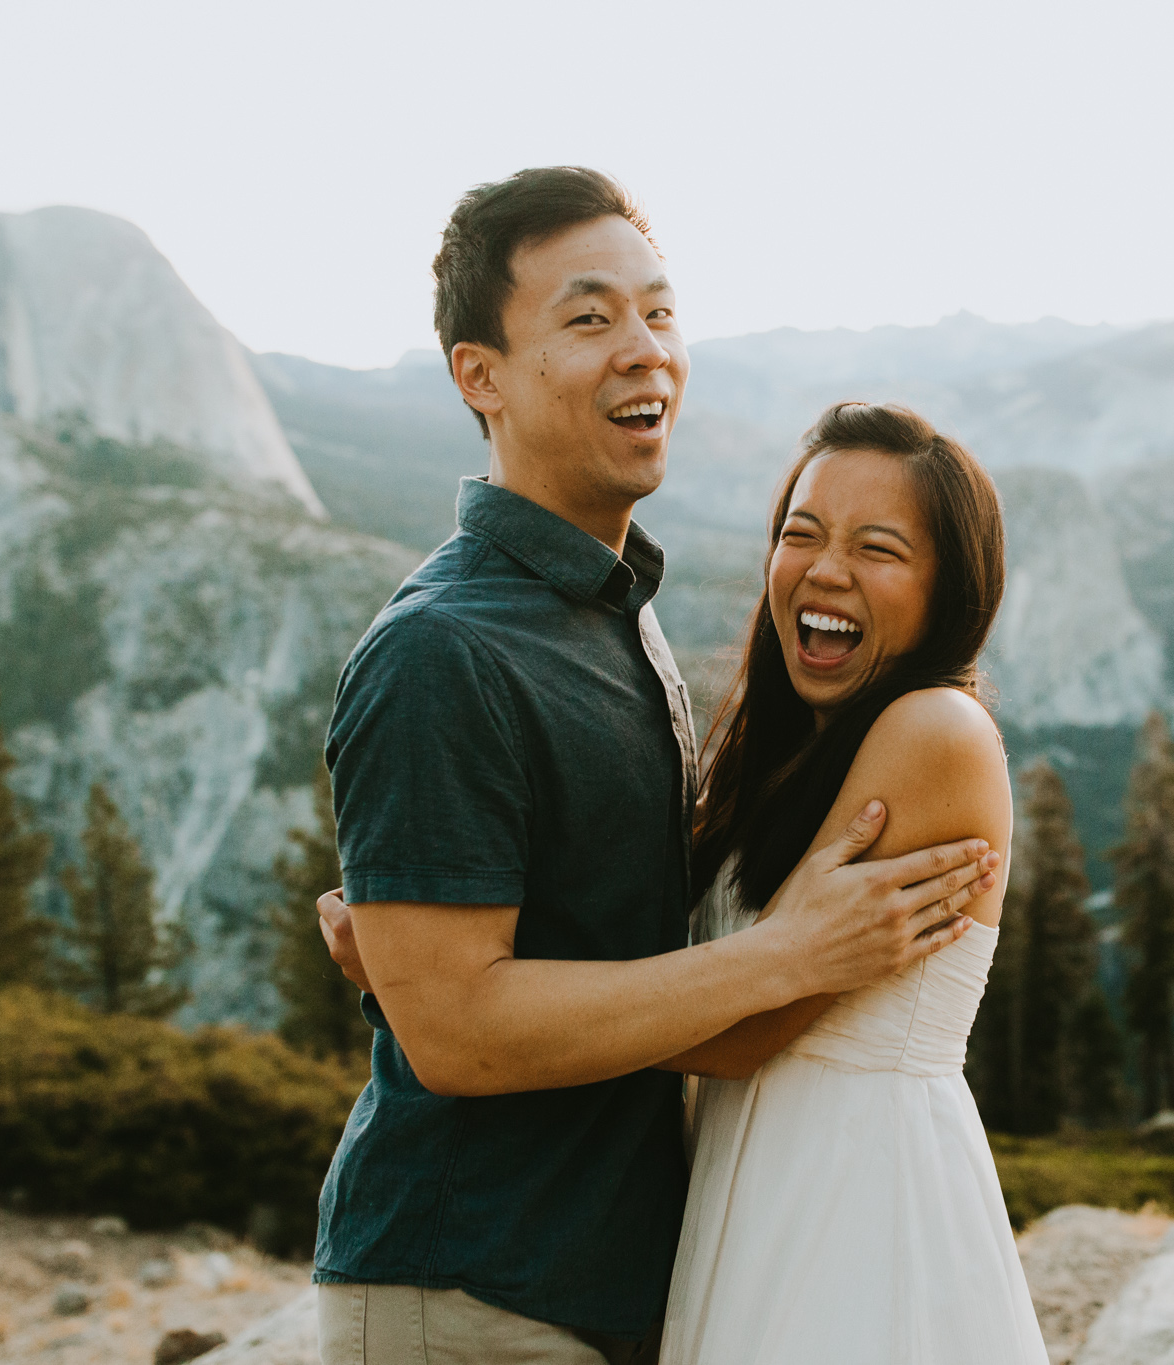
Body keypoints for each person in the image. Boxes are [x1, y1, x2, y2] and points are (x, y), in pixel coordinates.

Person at [310, 167, 999, 1365]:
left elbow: (624, 977)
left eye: (659, 312)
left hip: (637, 1275)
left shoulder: (613, 620)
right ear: (479, 376)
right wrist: (443, 1001)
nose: (644, 349)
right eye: (589, 318)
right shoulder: (442, 649)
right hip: (472, 1288)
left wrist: (430, 983)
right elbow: (465, 1040)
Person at [657, 402, 1049, 1364]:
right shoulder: (796, 746)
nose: (825, 569)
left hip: (856, 1212)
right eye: (802, 533)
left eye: (877, 548)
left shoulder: (935, 733)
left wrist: (478, 993)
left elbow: (746, 1029)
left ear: (948, 593)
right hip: (762, 1185)